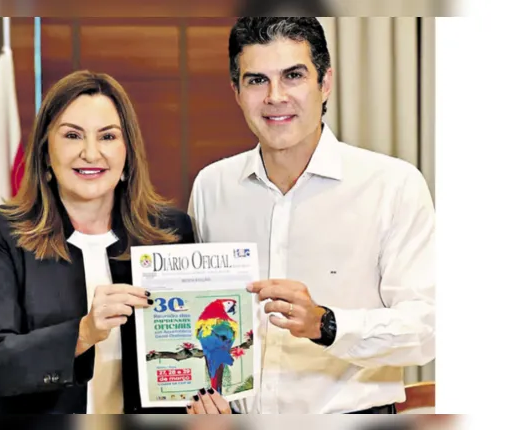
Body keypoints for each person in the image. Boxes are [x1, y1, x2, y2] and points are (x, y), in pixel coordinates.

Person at [186, 17, 435, 414]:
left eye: (293, 76)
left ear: (325, 83)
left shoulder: (393, 185)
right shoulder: (211, 187)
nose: (275, 96)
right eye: (257, 80)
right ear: (237, 92)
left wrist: (326, 324)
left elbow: (427, 328)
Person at [0, 70, 196, 414]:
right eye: (72, 135)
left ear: (127, 152)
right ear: (45, 152)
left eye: (107, 136)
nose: (90, 153)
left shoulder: (171, 232)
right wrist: (83, 333)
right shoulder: (0, 232)